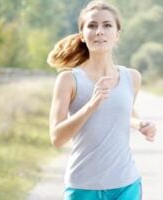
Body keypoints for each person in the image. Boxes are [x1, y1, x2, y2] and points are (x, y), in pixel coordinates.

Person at [47, 1, 157, 200]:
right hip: (83, 186)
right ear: (82, 35)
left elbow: (124, 112)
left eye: (107, 25)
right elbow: (56, 138)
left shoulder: (132, 77)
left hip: (126, 184)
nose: (99, 31)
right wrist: (91, 105)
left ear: (117, 34)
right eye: (92, 25)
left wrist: (140, 124)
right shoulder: (69, 80)